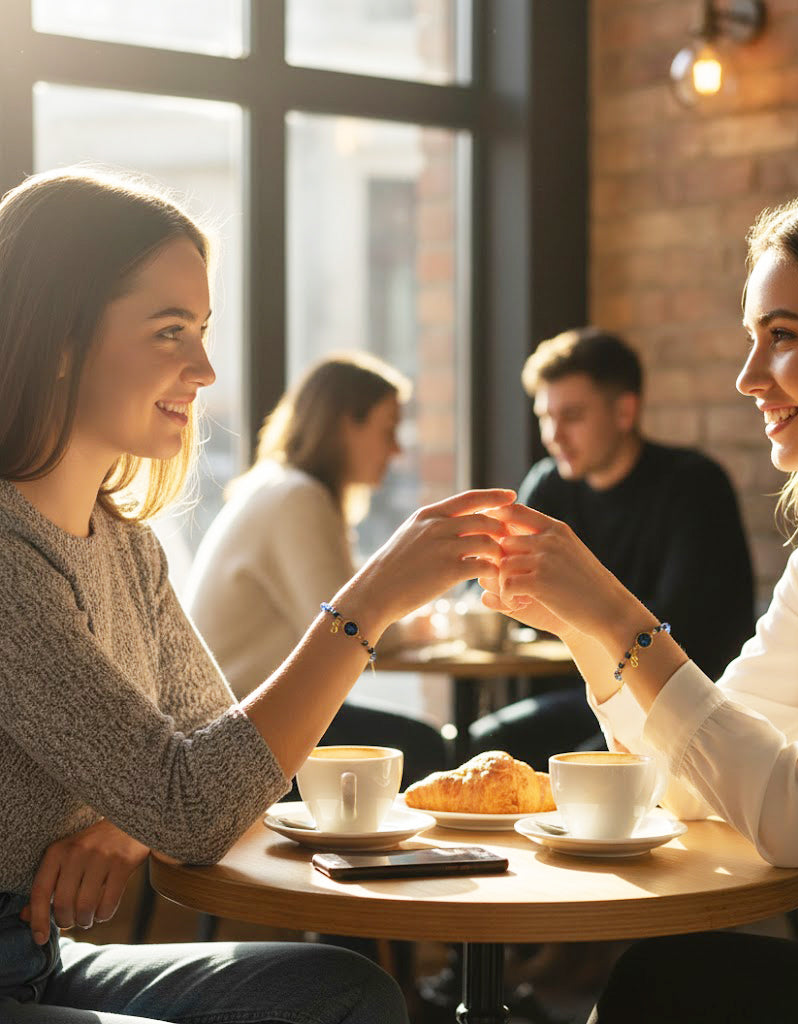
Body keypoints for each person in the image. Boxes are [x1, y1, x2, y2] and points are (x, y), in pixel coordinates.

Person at [0, 167, 513, 1023]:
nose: (203, 368)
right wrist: (372, 596)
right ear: (57, 338)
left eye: (201, 330)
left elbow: (221, 767)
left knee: (347, 994)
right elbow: (199, 803)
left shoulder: (126, 548)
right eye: (170, 331)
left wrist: (131, 825)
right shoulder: (9, 560)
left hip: (44, 959)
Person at [481, 181, 798, 1020]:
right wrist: (587, 630)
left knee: (666, 989)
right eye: (751, 339)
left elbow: (796, 815)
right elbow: (683, 784)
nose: (747, 377)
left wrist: (618, 612)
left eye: (781, 337)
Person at [469, 327, 755, 768]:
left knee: (571, 762)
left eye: (572, 416)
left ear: (624, 412)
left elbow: (688, 627)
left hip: (674, 700)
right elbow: (495, 582)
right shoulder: (550, 483)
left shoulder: (692, 485)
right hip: (578, 687)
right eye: (545, 417)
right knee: (485, 741)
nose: (553, 435)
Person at [185, 352, 446, 789]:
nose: (397, 450)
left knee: (416, 742)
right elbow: (342, 629)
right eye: (388, 431)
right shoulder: (297, 499)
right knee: (423, 746)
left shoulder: (282, 488)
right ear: (347, 424)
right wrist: (420, 629)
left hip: (246, 710)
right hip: (243, 724)